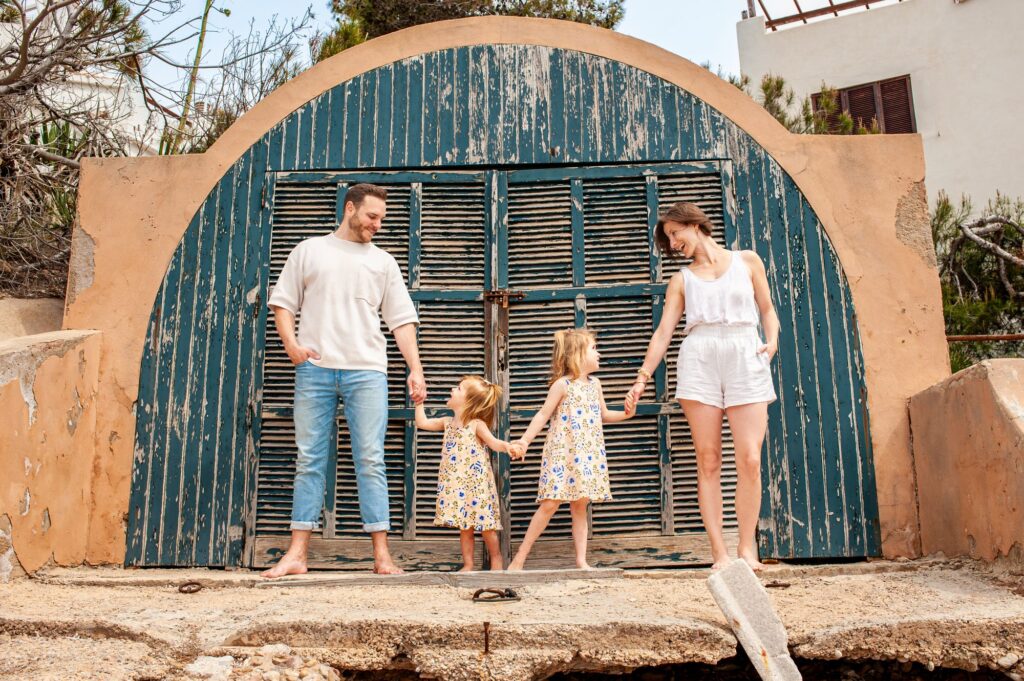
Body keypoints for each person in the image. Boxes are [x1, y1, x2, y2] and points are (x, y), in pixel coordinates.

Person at [262, 183, 426, 578]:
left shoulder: (383, 262)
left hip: (368, 370)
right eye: (372, 216)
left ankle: (383, 558)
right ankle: (297, 556)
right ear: (350, 208)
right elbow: (282, 303)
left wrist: (415, 368)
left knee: (370, 459)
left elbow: (401, 320)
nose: (378, 225)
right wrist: (291, 346)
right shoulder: (310, 250)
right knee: (309, 460)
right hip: (314, 370)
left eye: (382, 219)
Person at [625, 202, 779, 571]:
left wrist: (771, 341)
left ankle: (746, 549)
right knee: (708, 459)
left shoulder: (748, 261)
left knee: (750, 458)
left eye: (675, 234)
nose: (673, 243)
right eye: (669, 239)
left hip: (745, 350)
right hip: (700, 358)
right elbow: (664, 333)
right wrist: (642, 378)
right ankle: (720, 554)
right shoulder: (682, 280)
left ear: (693, 224)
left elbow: (767, 309)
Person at [509, 328, 633, 571]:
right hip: (562, 453)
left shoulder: (595, 384)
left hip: (587, 454)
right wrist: (524, 441)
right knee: (550, 504)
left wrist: (629, 412)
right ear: (577, 354)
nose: (599, 353)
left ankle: (581, 561)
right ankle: (519, 558)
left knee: (580, 506)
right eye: (594, 348)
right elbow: (543, 414)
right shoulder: (562, 385)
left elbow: (605, 414)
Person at [414, 375, 524, 571]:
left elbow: (494, 443)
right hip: (458, 486)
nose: (453, 390)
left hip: (478, 485)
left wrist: (508, 446)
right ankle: (469, 564)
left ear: (468, 401)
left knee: (487, 527)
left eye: (458, 388)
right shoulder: (447, 422)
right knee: (465, 527)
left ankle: (496, 560)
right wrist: (418, 402)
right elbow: (422, 423)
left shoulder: (476, 425)